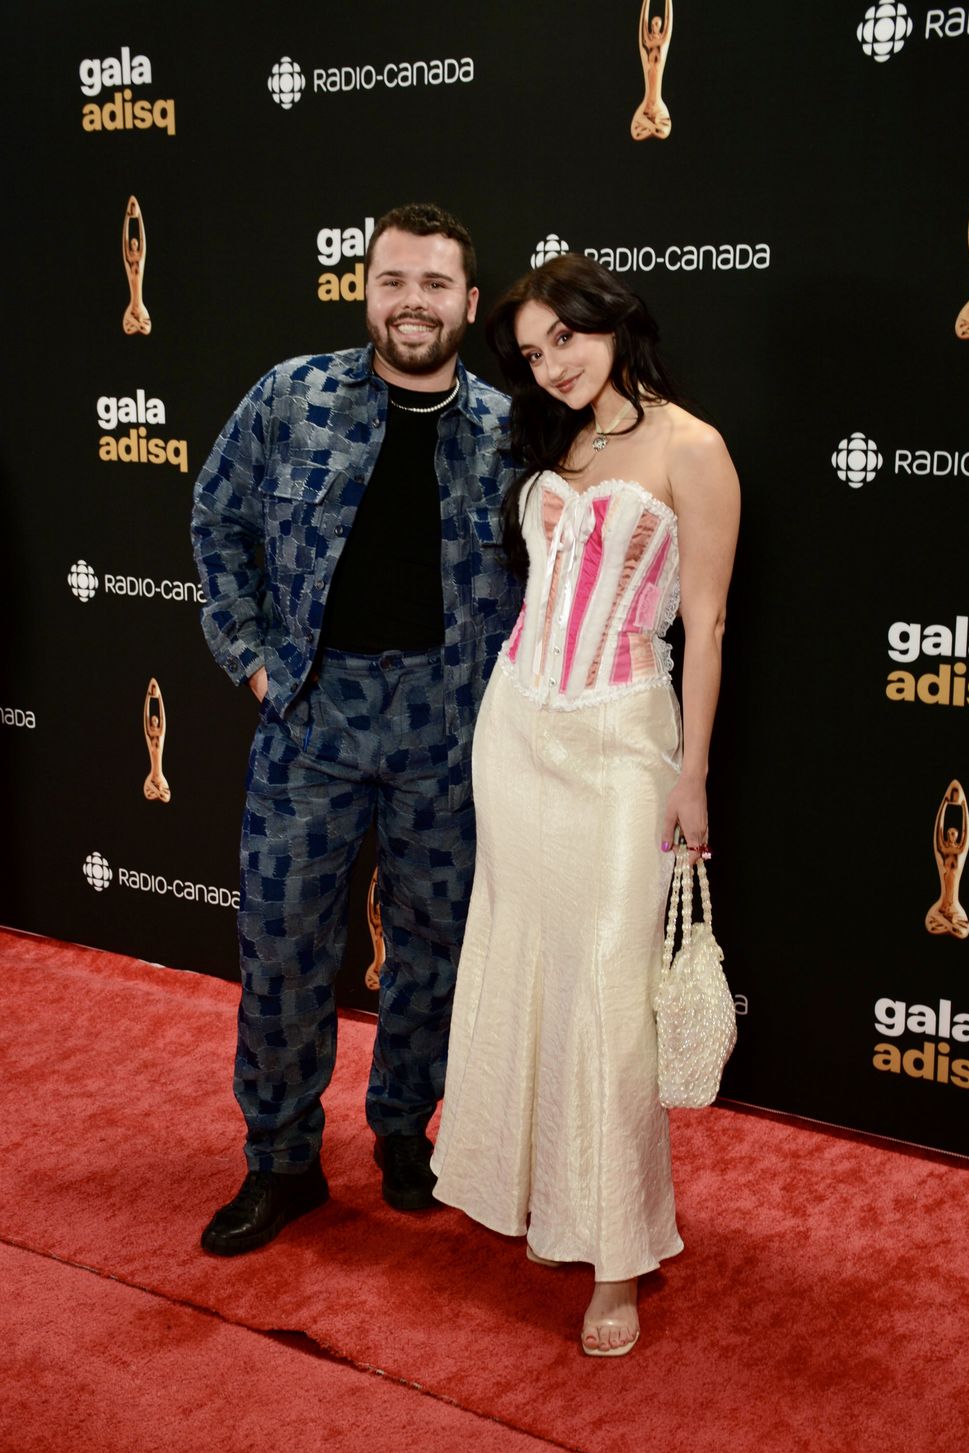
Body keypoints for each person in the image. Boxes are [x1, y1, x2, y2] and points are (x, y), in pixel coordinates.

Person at [191, 203, 520, 1256]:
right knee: (283, 946)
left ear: (469, 303)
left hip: (448, 725)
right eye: (393, 280)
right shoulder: (291, 397)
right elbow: (216, 524)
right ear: (362, 288)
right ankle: (280, 1162)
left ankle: (403, 1136)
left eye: (434, 284)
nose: (411, 302)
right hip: (310, 715)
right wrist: (253, 663)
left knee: (433, 949)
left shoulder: (512, 430)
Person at [431, 254, 740, 1356]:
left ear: (611, 322)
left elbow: (702, 628)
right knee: (524, 965)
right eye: (528, 353)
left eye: (563, 338)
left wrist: (690, 771)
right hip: (515, 726)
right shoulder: (552, 442)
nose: (549, 365)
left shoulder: (691, 448)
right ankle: (532, 1198)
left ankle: (616, 1256)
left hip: (620, 742)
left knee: (608, 1004)